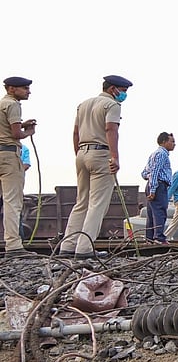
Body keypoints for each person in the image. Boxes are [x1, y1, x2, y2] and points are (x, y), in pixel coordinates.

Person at [60, 75, 132, 260]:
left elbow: (75, 132)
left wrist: (79, 153)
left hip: (82, 152)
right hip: (101, 154)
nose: (124, 95)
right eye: (123, 91)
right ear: (113, 89)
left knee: (81, 201)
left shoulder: (83, 104)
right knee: (97, 203)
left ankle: (68, 245)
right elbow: (110, 129)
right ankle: (85, 248)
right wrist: (114, 157)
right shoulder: (112, 105)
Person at [1, 76, 36, 258]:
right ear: (12, 89)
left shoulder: (1, 104)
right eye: (24, 88)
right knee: (12, 202)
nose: (28, 92)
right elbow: (15, 134)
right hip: (8, 155)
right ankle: (14, 246)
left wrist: (21, 124)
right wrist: (27, 131)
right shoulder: (13, 105)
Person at [141, 132, 175, 244]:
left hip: (152, 184)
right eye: (172, 141)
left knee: (151, 213)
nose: (174, 144)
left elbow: (144, 173)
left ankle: (149, 238)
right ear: (164, 142)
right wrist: (153, 188)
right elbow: (155, 171)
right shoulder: (162, 154)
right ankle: (159, 237)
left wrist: (150, 180)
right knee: (160, 211)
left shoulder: (154, 154)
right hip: (158, 185)